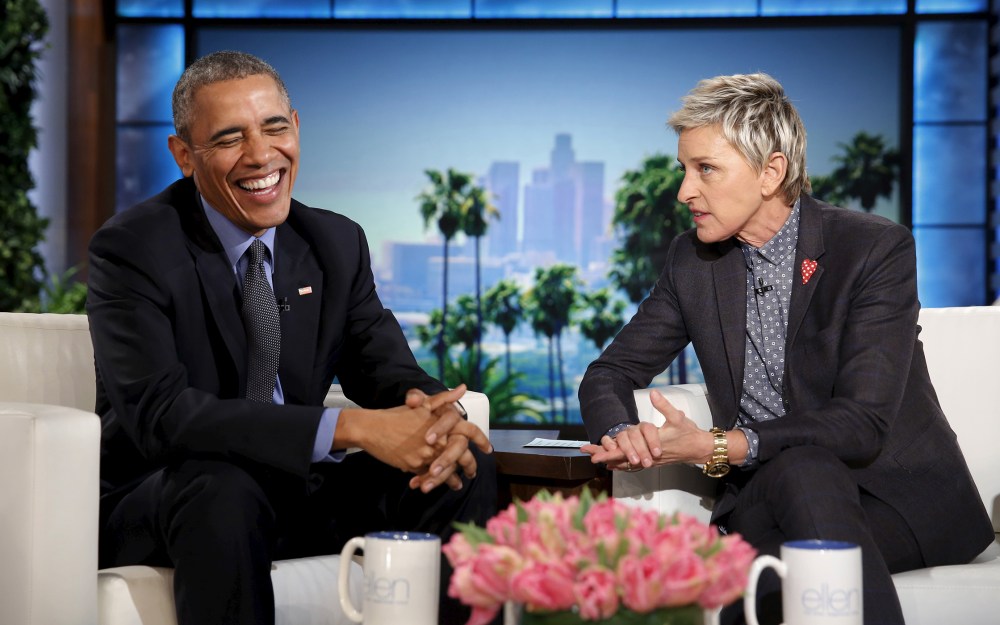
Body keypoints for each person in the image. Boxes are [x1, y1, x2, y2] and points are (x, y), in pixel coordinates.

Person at [88, 50, 496, 625]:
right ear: (184, 155)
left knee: (463, 466)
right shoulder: (133, 249)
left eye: (274, 127)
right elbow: (162, 416)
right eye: (230, 138)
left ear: (296, 128)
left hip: (291, 492)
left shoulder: (333, 241)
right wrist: (351, 427)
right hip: (169, 498)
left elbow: (385, 369)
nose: (261, 155)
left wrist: (434, 420)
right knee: (223, 488)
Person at [578, 73, 993, 625]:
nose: (684, 191)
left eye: (706, 169)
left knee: (750, 585)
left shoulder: (872, 249)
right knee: (798, 476)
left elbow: (861, 422)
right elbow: (608, 372)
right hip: (767, 497)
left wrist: (720, 445)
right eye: (684, 169)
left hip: (897, 500)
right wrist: (619, 432)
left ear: (771, 172)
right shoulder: (693, 262)